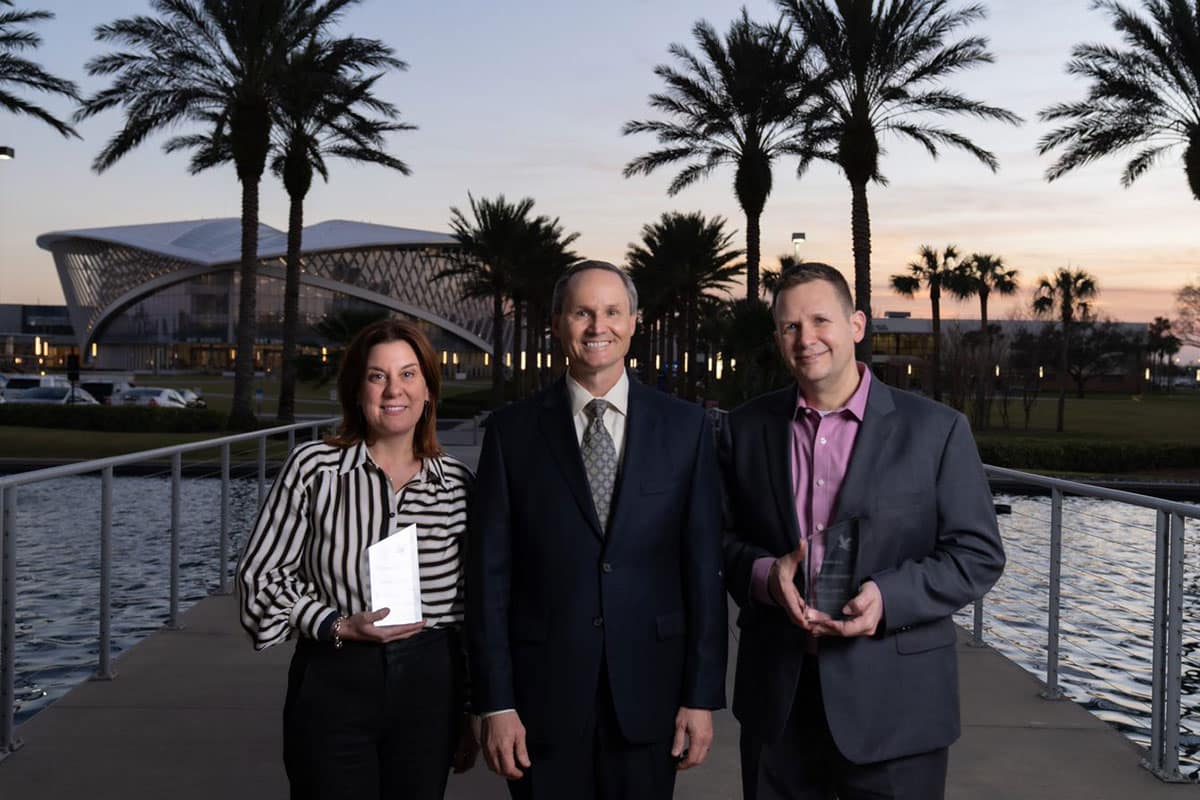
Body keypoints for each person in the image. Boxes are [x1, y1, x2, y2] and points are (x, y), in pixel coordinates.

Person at [720, 263, 1005, 799]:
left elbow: (977, 553)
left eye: (820, 320)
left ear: (857, 325)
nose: (806, 339)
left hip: (898, 711)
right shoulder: (745, 428)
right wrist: (764, 576)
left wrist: (886, 597)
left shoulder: (937, 430)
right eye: (790, 327)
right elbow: (719, 540)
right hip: (778, 705)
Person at [467, 260, 727, 799]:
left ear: (634, 320)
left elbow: (703, 570)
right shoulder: (512, 434)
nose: (597, 326)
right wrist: (495, 701)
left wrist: (701, 697)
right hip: (540, 701)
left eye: (611, 311)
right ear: (558, 322)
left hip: (650, 697)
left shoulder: (686, 429)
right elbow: (488, 579)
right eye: (582, 312)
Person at [238, 319, 477, 799]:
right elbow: (259, 579)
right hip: (335, 676)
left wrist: (472, 707)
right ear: (357, 389)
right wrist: (337, 625)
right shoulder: (314, 470)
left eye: (409, 375)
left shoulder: (457, 485)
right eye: (377, 376)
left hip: (431, 684)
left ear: (429, 389)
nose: (394, 390)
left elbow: (474, 611)